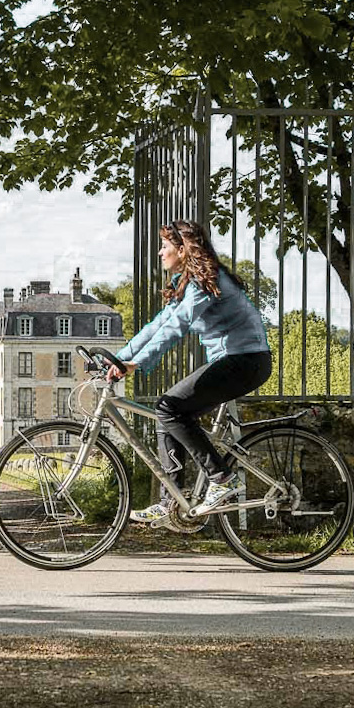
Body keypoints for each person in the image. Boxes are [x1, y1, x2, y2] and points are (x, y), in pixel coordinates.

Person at [106, 219, 272, 526]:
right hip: (232, 361)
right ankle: (171, 501)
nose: (160, 253)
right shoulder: (188, 282)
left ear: (183, 250)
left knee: (169, 407)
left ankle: (222, 478)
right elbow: (156, 325)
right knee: (165, 412)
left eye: (165, 246)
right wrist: (119, 357)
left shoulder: (203, 281)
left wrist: (136, 364)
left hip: (245, 361)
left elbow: (176, 327)